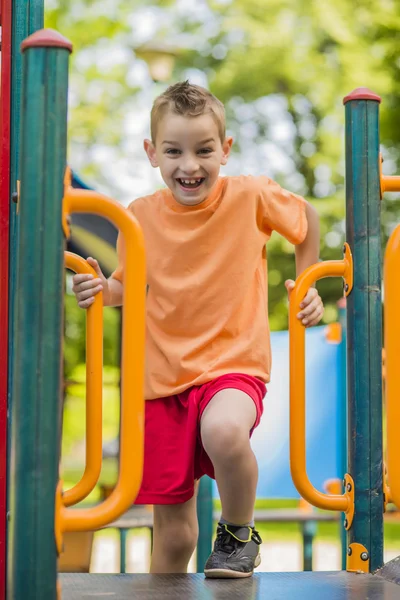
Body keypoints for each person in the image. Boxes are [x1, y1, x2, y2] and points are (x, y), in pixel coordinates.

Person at [72, 81, 324, 578]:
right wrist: (102, 290)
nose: (190, 165)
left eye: (204, 150)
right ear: (152, 153)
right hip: (161, 380)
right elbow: (129, 286)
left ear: (224, 150)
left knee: (225, 430)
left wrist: (307, 281)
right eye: (174, 151)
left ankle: (237, 532)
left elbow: (307, 220)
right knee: (174, 535)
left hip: (232, 365)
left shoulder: (251, 196)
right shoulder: (139, 217)